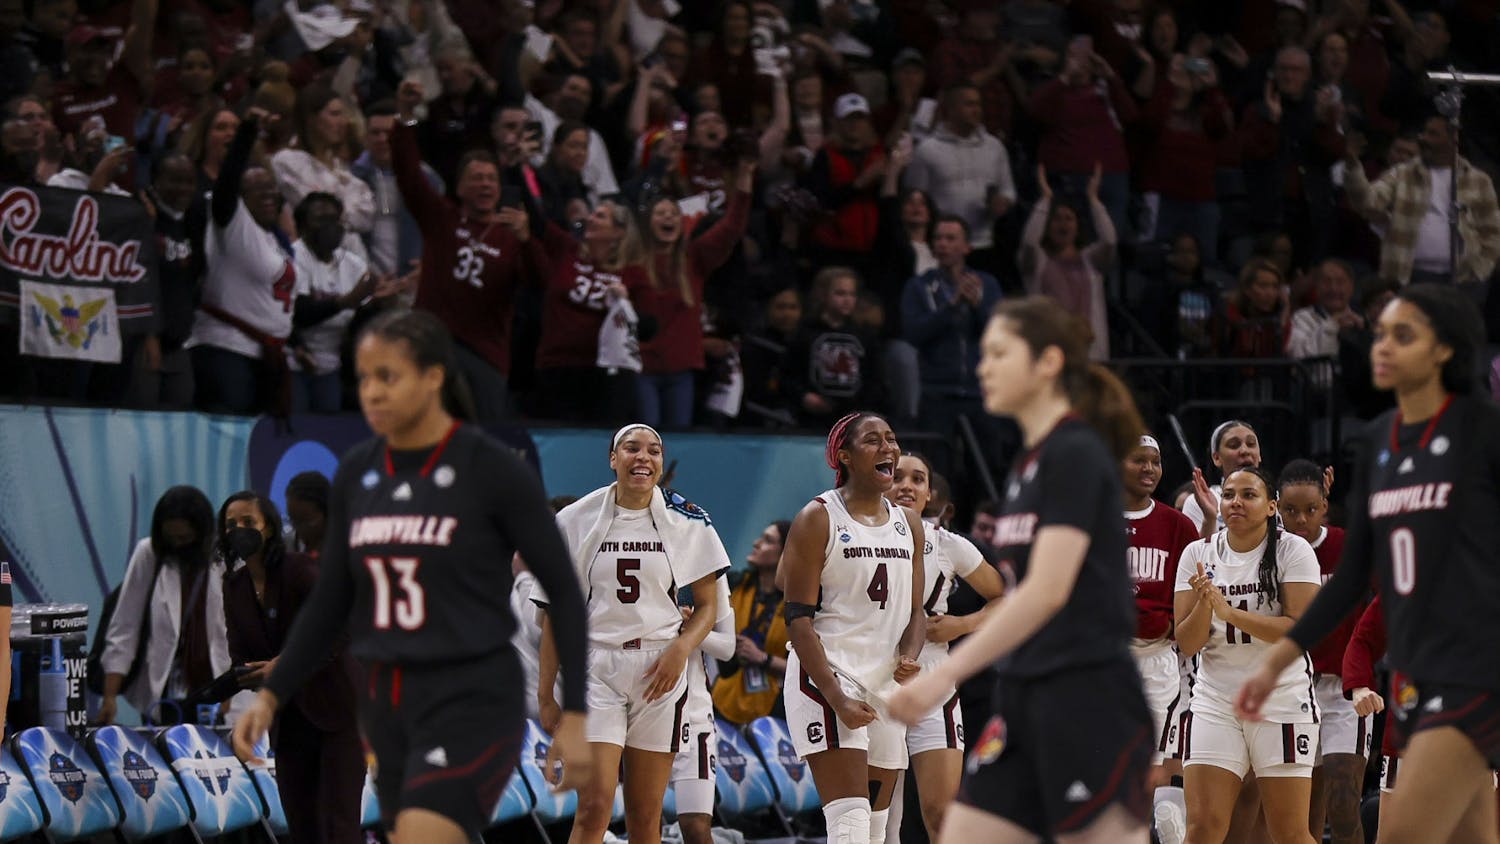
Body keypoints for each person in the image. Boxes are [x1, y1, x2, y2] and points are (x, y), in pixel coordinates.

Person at [232, 310, 594, 844]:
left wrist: (578, 715)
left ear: (433, 378)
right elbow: (332, 599)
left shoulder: (492, 470)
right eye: (364, 378)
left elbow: (564, 591)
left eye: (388, 376)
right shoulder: (359, 471)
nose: (372, 392)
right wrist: (271, 696)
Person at [1238, 284, 1500, 843]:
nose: (1381, 346)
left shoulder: (1483, 430)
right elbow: (1352, 578)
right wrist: (1275, 660)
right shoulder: (1378, 440)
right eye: (1380, 333)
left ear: (1444, 350)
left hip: (1476, 666)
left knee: (1401, 836)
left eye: (1403, 336)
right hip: (1414, 670)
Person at [889, 295, 1152, 843]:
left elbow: (1047, 591)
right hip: (1024, 699)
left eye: (999, 353)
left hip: (1088, 697)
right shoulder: (1027, 464)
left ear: (1047, 363)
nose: (982, 366)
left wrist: (943, 672)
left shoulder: (1076, 452)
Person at [537, 424, 729, 844]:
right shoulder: (574, 519)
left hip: (659, 670)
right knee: (593, 807)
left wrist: (681, 649)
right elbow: (554, 614)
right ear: (612, 458)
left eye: (654, 451)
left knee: (646, 818)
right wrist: (546, 695)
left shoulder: (688, 519)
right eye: (632, 448)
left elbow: (709, 606)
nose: (644, 457)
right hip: (597, 668)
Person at [776, 411, 926, 844]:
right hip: (828, 678)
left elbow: (915, 612)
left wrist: (910, 656)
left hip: (884, 683)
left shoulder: (909, 523)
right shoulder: (818, 517)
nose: (888, 449)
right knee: (851, 827)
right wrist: (837, 697)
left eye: (892, 438)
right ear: (845, 455)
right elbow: (797, 618)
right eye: (873, 440)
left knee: (878, 831)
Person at [1172, 465, 1322, 844]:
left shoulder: (1293, 549)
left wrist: (1231, 614)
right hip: (1216, 699)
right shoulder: (1197, 554)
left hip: (1281, 697)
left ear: (1272, 507)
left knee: (1289, 833)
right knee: (1202, 828)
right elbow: (1187, 644)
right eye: (1229, 495)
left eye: (1249, 495)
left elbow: (1301, 630)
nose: (1236, 502)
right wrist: (1207, 604)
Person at [220, 491, 362, 844]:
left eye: (248, 522)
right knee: (302, 828)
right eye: (230, 524)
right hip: (288, 721)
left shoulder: (299, 569)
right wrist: (245, 673)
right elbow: (239, 650)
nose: (239, 529)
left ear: (268, 527)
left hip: (337, 713)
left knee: (339, 827)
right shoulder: (234, 586)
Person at [885, 451, 1004, 840]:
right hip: (870, 678)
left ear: (929, 494)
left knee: (941, 814)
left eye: (917, 479)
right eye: (897, 476)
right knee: (883, 820)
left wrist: (962, 624)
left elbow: (1006, 597)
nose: (906, 485)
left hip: (931, 680)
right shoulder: (849, 534)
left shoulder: (949, 545)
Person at [391, 116, 539, 425]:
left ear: (499, 189)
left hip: (484, 353)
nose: (484, 183)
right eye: (476, 178)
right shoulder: (442, 219)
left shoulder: (513, 238)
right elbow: (409, 177)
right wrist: (405, 120)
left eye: (490, 179)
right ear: (458, 187)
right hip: (434, 339)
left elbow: (540, 283)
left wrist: (527, 241)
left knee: (485, 435)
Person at [1275, 459, 1367, 844]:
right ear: (1276, 507)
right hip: (1292, 688)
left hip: (1343, 689)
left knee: (1343, 802)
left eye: (1310, 510)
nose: (1301, 519)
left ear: (1325, 506)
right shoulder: (1271, 552)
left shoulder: (1349, 546)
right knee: (1304, 816)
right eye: (1291, 511)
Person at [183, 109, 297, 415]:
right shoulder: (231, 225)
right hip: (225, 350)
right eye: (257, 190)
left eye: (271, 188)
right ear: (240, 198)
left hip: (265, 356)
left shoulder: (275, 240)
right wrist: (246, 134)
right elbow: (227, 183)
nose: (268, 195)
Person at [1121, 435, 1200, 844]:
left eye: (1155, 461)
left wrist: (1172, 624)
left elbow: (1196, 591)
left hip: (1156, 661)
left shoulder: (1177, 525)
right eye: (1139, 460)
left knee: (1148, 777)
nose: (1149, 468)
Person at [636, 159, 753, 430]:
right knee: (647, 439)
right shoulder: (632, 263)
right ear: (646, 223)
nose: (668, 218)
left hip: (681, 373)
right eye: (661, 213)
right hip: (642, 371)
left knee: (679, 442)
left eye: (673, 214)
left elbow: (731, 227)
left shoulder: (693, 259)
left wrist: (744, 179)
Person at [98, 486, 226, 726]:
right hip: (163, 694)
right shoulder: (149, 553)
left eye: (185, 539)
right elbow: (125, 626)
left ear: (202, 534)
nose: (177, 545)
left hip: (218, 690)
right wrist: (109, 697)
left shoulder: (225, 557)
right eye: (171, 538)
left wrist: (234, 691)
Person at [1343, 113, 1500, 288]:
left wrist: (1481, 269)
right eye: (1424, 132)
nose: (1423, 138)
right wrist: (1352, 166)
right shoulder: (1402, 173)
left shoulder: (1479, 180)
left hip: (1463, 281)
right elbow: (1367, 202)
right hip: (1407, 278)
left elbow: (1493, 231)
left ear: (1452, 138)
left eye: (1432, 134)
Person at [1020, 163, 1115, 361]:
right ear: (1047, 225)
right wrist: (1045, 200)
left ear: (1077, 226)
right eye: (1056, 219)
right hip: (1048, 355)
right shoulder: (1037, 261)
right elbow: (1029, 242)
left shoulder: (1090, 260)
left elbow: (1109, 241)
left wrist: (1093, 199)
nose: (1062, 223)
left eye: (1068, 218)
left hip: (1089, 355)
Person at [711, 521, 792, 725]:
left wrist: (762, 658)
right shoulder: (735, 584)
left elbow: (809, 668)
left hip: (774, 714)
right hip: (721, 703)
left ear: (785, 553)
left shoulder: (799, 602)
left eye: (768, 541)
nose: (756, 543)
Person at [1181, 420, 1264, 538]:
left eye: (1251, 444)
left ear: (1259, 455)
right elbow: (1196, 555)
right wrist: (1209, 518)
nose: (1245, 451)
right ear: (1216, 458)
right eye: (1234, 445)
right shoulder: (1197, 503)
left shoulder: (1274, 499)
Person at [283, 470, 329, 556]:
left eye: (304, 521)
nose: (299, 530)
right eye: (293, 521)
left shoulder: (351, 548)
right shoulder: (288, 548)